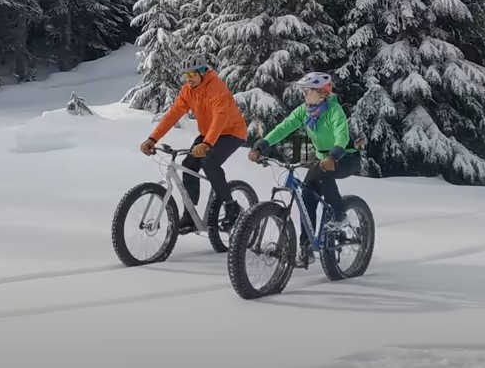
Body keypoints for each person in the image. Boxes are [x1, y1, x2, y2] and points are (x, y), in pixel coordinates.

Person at [247, 71, 360, 266]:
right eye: (304, 91)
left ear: (323, 92)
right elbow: (284, 127)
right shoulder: (304, 111)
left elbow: (341, 134)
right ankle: (306, 248)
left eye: (309, 91)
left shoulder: (334, 110)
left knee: (323, 175)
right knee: (307, 197)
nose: (305, 95)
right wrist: (262, 144)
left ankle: (340, 215)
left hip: (345, 157)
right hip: (324, 160)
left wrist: (333, 156)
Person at [140, 55, 248, 234]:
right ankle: (189, 215)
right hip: (208, 134)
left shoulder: (216, 87)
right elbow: (173, 114)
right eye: (185, 75)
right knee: (188, 164)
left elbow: (221, 116)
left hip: (231, 133)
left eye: (192, 74)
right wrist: (153, 139)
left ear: (202, 72)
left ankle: (231, 207)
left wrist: (207, 143)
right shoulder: (188, 91)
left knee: (209, 162)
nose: (188, 78)